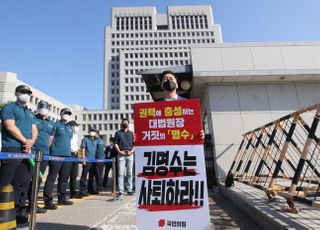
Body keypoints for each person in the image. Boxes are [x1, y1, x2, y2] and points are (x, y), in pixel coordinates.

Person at [0, 85, 38, 224]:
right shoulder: (9, 108)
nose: (26, 95)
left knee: (22, 182)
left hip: (27, 151)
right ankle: (2, 212)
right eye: (23, 92)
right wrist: (24, 141)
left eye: (28, 93)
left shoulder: (29, 112)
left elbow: (34, 129)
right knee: (5, 182)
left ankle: (18, 212)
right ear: (16, 93)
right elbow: (10, 126)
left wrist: (31, 141)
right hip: (12, 148)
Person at [43, 108, 74, 210]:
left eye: (68, 114)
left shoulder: (70, 127)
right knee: (52, 178)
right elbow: (50, 139)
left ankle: (62, 198)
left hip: (67, 156)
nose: (67, 115)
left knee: (64, 178)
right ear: (61, 114)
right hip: (56, 155)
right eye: (65, 113)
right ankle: (48, 200)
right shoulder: (56, 125)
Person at [160, 70, 205, 140]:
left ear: (177, 85)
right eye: (165, 79)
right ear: (161, 85)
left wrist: (200, 134)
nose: (168, 80)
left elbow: (193, 125)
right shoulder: (156, 107)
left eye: (171, 79)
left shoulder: (188, 104)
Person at [28, 100, 54, 214]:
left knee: (38, 179)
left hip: (44, 154)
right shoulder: (32, 118)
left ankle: (33, 204)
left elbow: (50, 139)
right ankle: (25, 204)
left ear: (49, 110)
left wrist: (46, 148)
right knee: (28, 178)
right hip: (32, 152)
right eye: (41, 106)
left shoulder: (51, 123)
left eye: (45, 107)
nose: (43, 108)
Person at [114, 118, 135, 201]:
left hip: (130, 154)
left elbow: (135, 144)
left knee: (130, 172)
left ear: (128, 124)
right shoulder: (118, 133)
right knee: (120, 173)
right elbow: (115, 143)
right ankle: (120, 190)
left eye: (126, 123)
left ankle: (129, 189)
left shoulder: (132, 133)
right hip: (121, 154)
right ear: (121, 124)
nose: (125, 124)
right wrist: (119, 151)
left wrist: (132, 151)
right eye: (123, 123)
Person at [79, 127, 98, 197]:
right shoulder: (85, 139)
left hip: (94, 160)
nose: (92, 132)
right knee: (84, 175)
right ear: (88, 132)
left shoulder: (96, 141)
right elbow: (82, 149)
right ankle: (82, 190)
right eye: (91, 131)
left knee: (91, 176)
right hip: (87, 160)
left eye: (93, 131)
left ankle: (90, 189)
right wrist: (83, 159)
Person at [88, 130, 104, 194]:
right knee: (98, 174)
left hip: (97, 160)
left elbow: (97, 151)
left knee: (97, 174)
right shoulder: (100, 140)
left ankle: (99, 187)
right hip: (100, 160)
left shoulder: (96, 141)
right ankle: (98, 187)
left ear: (96, 134)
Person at [68, 120, 81, 199]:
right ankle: (61, 194)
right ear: (72, 126)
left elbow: (76, 146)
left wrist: (79, 155)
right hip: (68, 154)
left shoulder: (76, 135)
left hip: (75, 155)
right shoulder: (68, 134)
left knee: (74, 175)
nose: (77, 127)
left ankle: (73, 192)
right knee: (65, 176)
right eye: (76, 126)